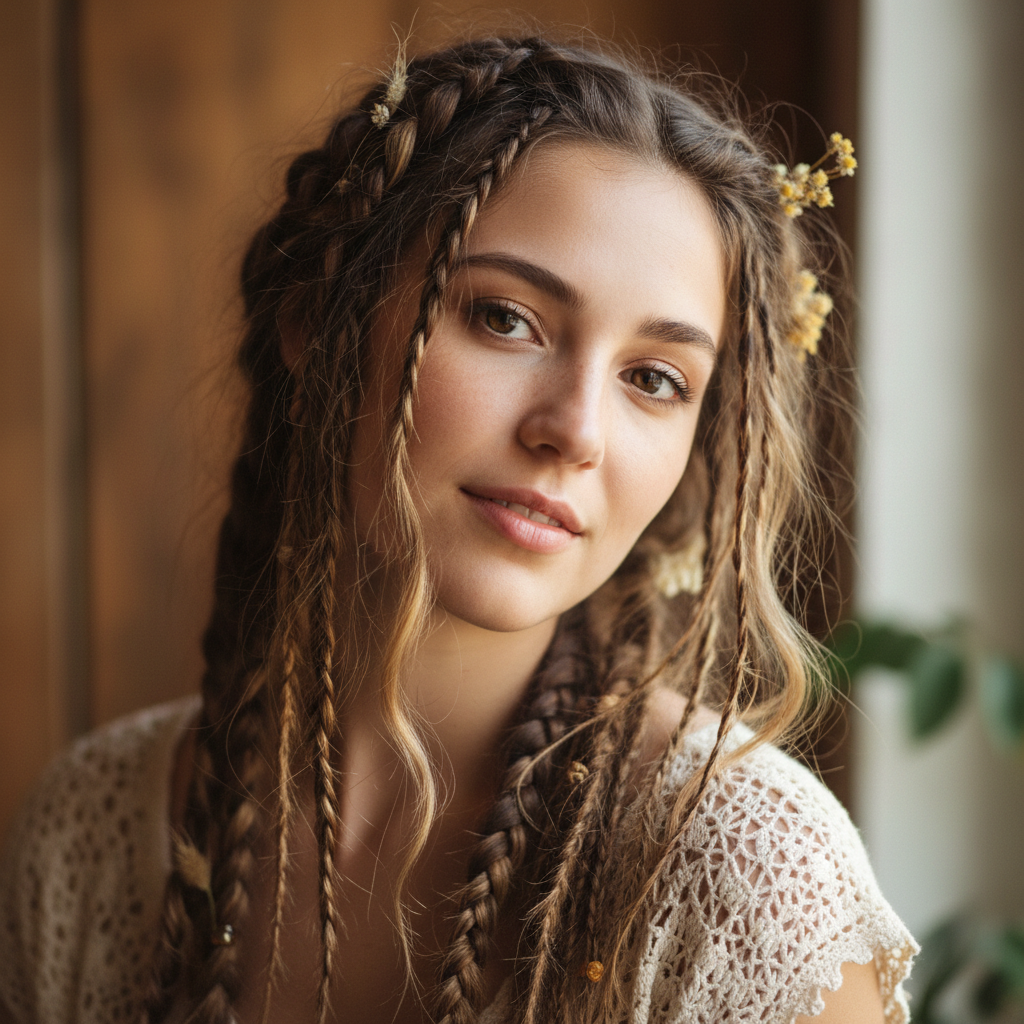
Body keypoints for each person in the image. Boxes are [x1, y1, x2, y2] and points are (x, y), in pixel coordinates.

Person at [0, 34, 916, 1024]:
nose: (572, 431)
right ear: (321, 317)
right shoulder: (92, 830)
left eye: (653, 378)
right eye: (505, 318)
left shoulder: (751, 881)